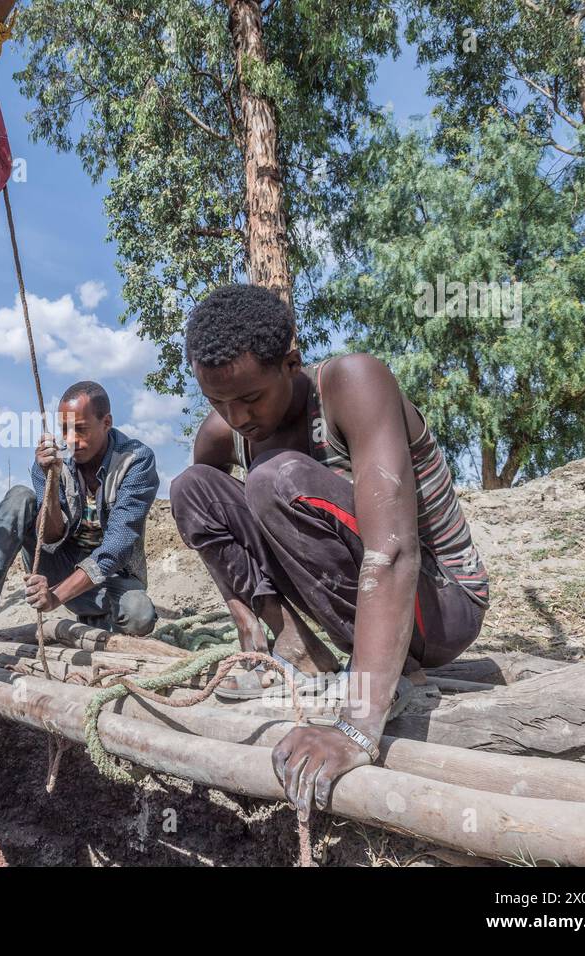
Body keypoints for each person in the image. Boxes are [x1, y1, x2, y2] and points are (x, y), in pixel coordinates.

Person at [170, 284, 489, 816]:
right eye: (218, 402)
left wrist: (358, 726)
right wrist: (250, 624)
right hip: (354, 607)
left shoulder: (351, 384)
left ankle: (393, 678)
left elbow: (394, 551)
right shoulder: (224, 432)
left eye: (249, 398)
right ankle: (295, 649)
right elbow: (216, 525)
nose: (237, 416)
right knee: (191, 488)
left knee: (275, 479)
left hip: (441, 604)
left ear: (291, 363)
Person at [0, 381, 159, 665]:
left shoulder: (135, 461)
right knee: (19, 497)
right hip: (61, 569)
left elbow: (117, 547)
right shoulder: (53, 462)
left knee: (140, 615)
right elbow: (49, 537)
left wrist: (55, 597)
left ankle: (96, 617)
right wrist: (49, 482)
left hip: (110, 578)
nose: (71, 439)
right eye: (64, 430)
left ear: (106, 422)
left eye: (81, 429)